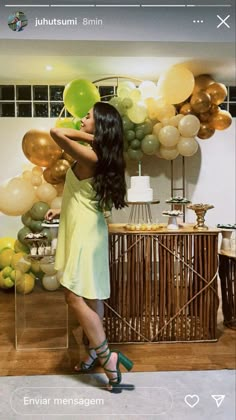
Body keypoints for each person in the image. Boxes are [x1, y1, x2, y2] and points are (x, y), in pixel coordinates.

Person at [46, 101, 133, 391]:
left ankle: (108, 357)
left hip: (84, 232)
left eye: (88, 117)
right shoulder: (101, 156)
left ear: (101, 127)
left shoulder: (92, 155)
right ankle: (95, 352)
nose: (82, 119)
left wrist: (89, 136)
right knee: (92, 296)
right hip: (88, 226)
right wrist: (62, 210)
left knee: (73, 297)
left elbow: (56, 133)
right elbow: (86, 194)